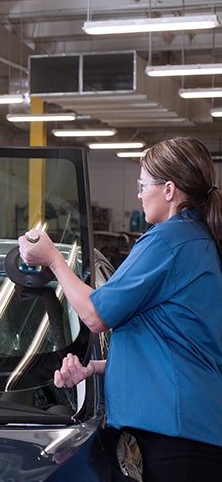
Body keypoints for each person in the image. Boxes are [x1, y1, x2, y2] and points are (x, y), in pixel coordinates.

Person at [18, 136, 222, 481]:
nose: (139, 194)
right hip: (189, 428)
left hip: (177, 434)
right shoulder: (196, 240)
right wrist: (94, 368)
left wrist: (53, 259)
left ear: (168, 190)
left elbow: (95, 315)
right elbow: (169, 347)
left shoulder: (168, 240)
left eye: (143, 185)